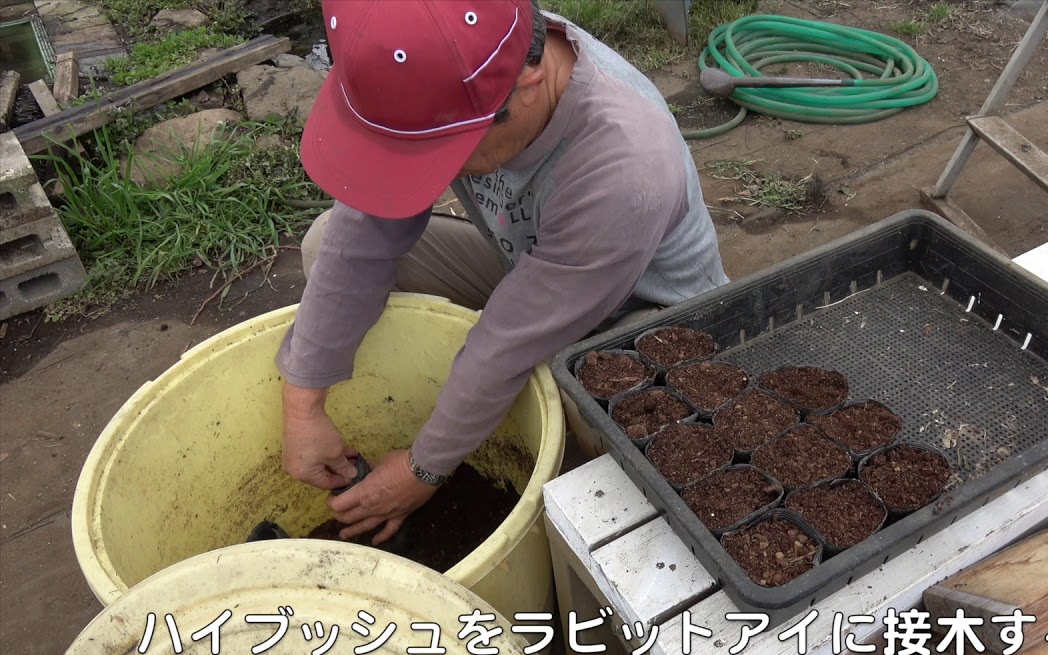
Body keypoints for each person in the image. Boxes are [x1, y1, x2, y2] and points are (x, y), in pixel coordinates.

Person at [274, 0, 729, 545]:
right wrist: (303, 403)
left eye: (442, 152)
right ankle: (475, 416)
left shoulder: (627, 161)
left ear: (529, 82)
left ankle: (574, 530)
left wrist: (423, 470)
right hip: (537, 271)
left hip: (649, 327)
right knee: (326, 242)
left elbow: (507, 340)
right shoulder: (463, 66)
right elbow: (366, 228)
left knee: (587, 418)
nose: (434, 172)